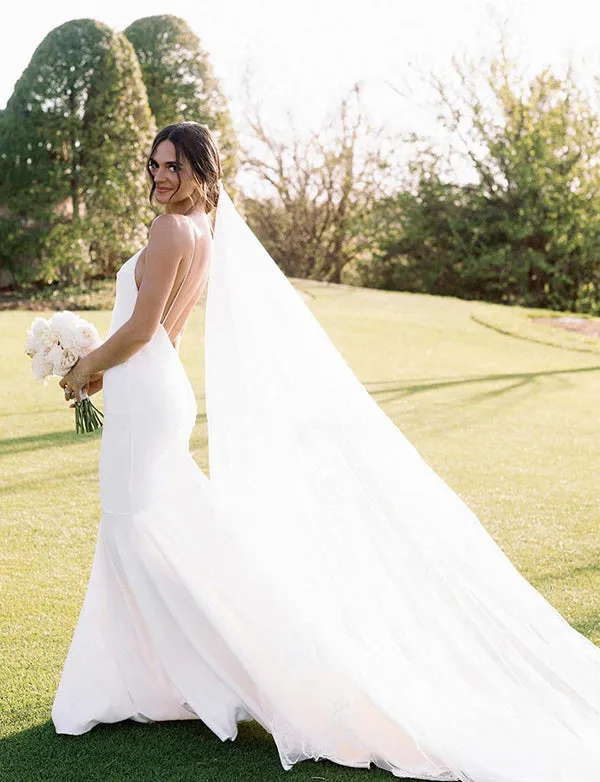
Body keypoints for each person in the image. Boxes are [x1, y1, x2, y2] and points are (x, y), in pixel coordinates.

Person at [54, 121, 600, 782]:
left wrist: (84, 365)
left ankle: (183, 675)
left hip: (147, 396)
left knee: (137, 527)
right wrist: (106, 369)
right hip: (154, 387)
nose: (160, 177)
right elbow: (161, 331)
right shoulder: (201, 232)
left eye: (173, 166)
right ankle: (167, 675)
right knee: (151, 531)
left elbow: (142, 328)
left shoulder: (170, 230)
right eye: (154, 165)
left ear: (203, 171)